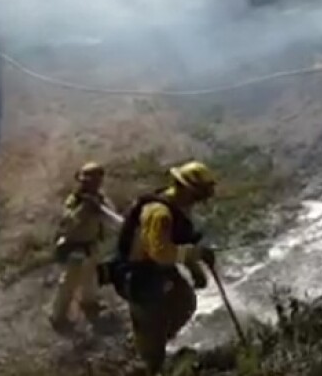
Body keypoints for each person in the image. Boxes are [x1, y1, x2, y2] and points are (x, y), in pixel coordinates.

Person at [102, 160, 217, 375]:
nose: (198, 201)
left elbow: (179, 243)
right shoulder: (159, 214)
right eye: (197, 195)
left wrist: (195, 269)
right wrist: (196, 255)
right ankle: (147, 360)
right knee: (152, 330)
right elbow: (161, 253)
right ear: (184, 189)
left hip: (157, 270)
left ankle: (148, 342)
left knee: (184, 302)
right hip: (139, 276)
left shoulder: (179, 206)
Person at [49, 162, 117, 332]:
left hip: (91, 244)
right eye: (87, 181)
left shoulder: (100, 198)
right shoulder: (74, 200)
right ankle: (58, 315)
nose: (91, 184)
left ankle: (89, 303)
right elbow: (68, 222)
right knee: (69, 283)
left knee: (90, 278)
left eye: (95, 181)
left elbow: (111, 217)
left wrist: (99, 206)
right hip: (74, 246)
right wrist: (84, 208)